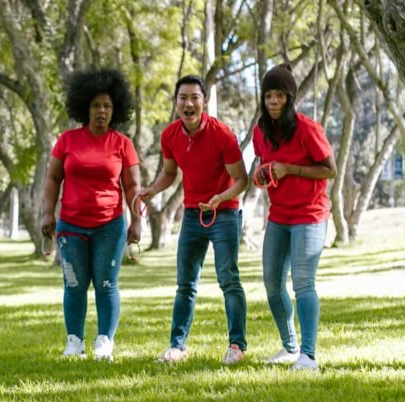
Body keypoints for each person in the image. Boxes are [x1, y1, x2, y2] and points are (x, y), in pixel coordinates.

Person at [135, 75, 249, 365]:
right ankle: (177, 346)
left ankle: (237, 346)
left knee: (229, 280)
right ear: (175, 103)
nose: (188, 103)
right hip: (192, 215)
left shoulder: (222, 134)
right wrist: (151, 189)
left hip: (224, 213)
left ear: (204, 102)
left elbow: (241, 179)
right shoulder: (170, 135)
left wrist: (220, 198)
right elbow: (170, 173)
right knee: (185, 284)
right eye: (182, 97)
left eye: (194, 97)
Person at [41, 68, 143, 361]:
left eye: (107, 106)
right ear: (85, 107)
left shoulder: (122, 144)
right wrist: (49, 213)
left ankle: (104, 341)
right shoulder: (67, 140)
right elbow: (52, 179)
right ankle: (74, 342)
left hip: (109, 226)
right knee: (74, 284)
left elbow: (133, 185)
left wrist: (136, 221)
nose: (101, 111)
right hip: (71, 225)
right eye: (96, 105)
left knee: (106, 283)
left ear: (115, 110)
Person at [253, 64, 337, 371]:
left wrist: (290, 169)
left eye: (279, 96)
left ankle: (308, 355)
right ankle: (290, 347)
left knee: (303, 282)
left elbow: (330, 169)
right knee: (272, 284)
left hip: (310, 214)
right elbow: (265, 166)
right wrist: (263, 175)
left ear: (290, 98)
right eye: (268, 96)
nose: (273, 101)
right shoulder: (260, 131)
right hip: (279, 215)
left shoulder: (308, 129)